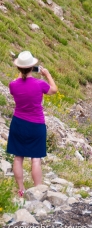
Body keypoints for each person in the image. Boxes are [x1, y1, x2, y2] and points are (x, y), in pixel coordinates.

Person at [7, 51, 58, 197]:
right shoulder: (40, 83)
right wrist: (47, 74)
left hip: (18, 123)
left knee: (18, 157)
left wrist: (21, 74)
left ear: (18, 68)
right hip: (36, 124)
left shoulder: (13, 85)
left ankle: (21, 189)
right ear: (32, 67)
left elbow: (17, 83)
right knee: (35, 158)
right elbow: (54, 90)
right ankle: (38, 190)